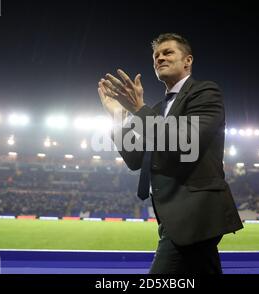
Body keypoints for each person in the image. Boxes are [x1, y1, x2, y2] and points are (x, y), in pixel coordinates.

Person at [98, 33, 243, 274]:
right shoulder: (156, 110)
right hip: (174, 215)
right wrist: (116, 114)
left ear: (188, 61)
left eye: (168, 52)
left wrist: (137, 109)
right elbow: (135, 159)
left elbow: (185, 142)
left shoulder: (205, 92)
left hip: (196, 212)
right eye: (156, 56)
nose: (160, 58)